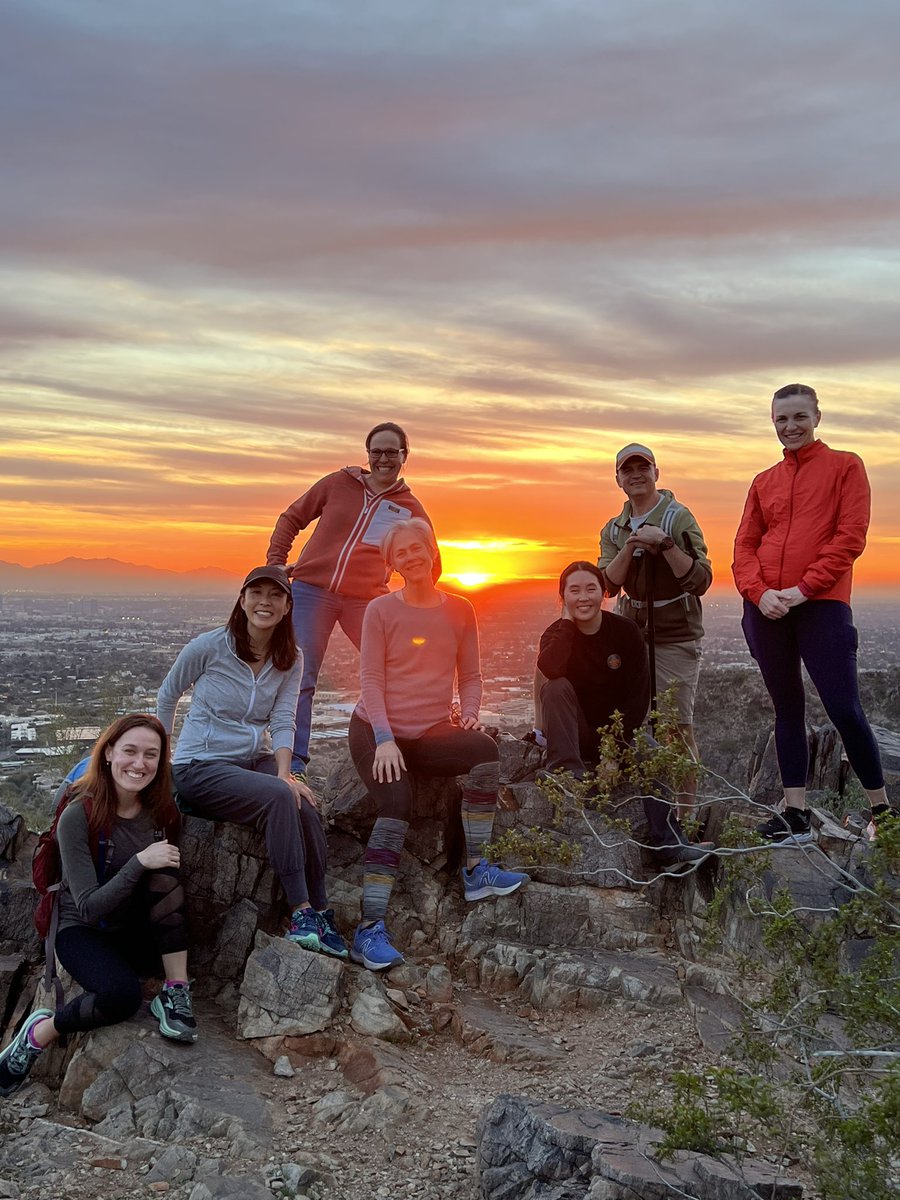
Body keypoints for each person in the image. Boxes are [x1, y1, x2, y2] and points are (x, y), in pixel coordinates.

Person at [347, 518, 527, 970]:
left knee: (485, 751)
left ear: (431, 550)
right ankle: (369, 930)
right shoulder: (381, 610)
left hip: (428, 731)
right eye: (400, 553)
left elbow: (470, 675)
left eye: (416, 548)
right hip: (374, 729)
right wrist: (385, 740)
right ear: (392, 563)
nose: (410, 557)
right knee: (398, 804)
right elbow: (370, 679)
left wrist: (469, 710)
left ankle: (477, 870)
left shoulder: (461, 609)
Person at [0, 714, 196, 1099]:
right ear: (108, 753)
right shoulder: (79, 815)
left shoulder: (161, 811)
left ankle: (176, 991)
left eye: (151, 755)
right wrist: (139, 860)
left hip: (129, 926)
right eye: (130, 751)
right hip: (82, 930)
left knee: (167, 879)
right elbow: (88, 907)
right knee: (121, 997)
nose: (139, 764)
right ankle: (39, 1032)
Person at [156, 566, 347, 958]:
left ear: (287, 605)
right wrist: (164, 762)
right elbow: (167, 696)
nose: (265, 602)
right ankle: (301, 912)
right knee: (279, 797)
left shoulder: (290, 658)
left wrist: (285, 773)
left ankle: (322, 910)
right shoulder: (209, 647)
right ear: (242, 600)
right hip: (199, 765)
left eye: (275, 595)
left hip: (250, 759)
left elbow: (282, 720)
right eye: (256, 593)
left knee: (303, 802)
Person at [733, 383, 891, 843]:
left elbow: (850, 537)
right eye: (781, 419)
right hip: (765, 609)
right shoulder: (764, 481)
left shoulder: (846, 466)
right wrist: (759, 593)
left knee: (844, 707)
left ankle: (883, 809)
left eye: (799, 416)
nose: (790, 427)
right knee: (787, 709)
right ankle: (796, 811)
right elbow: (744, 545)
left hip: (820, 604)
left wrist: (802, 590)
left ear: (817, 417)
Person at [266, 423, 438, 774]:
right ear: (367, 454)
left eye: (392, 452)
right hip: (312, 591)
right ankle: (293, 763)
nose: (383, 459)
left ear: (405, 456)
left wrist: (413, 599)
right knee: (300, 675)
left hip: (366, 601)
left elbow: (431, 560)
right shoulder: (337, 484)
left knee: (394, 668)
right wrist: (275, 567)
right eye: (377, 451)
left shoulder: (409, 507)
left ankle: (399, 743)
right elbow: (291, 518)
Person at [537, 561, 711, 866]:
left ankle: (669, 846)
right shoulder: (555, 634)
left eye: (591, 588)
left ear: (604, 592)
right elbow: (550, 669)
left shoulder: (625, 632)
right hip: (573, 733)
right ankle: (568, 775)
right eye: (574, 590)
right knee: (555, 687)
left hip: (619, 733)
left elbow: (637, 699)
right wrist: (566, 625)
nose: (583, 597)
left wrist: (613, 752)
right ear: (562, 596)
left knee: (654, 755)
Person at [597, 443, 712, 818]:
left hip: (675, 633)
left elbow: (701, 580)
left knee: (677, 727)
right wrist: (631, 546)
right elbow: (607, 585)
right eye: (627, 470)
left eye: (642, 468)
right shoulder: (613, 529)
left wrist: (662, 544)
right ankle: (639, 807)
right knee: (624, 720)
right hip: (631, 633)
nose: (635, 475)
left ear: (656, 473)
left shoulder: (678, 518)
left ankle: (684, 816)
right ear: (618, 479)